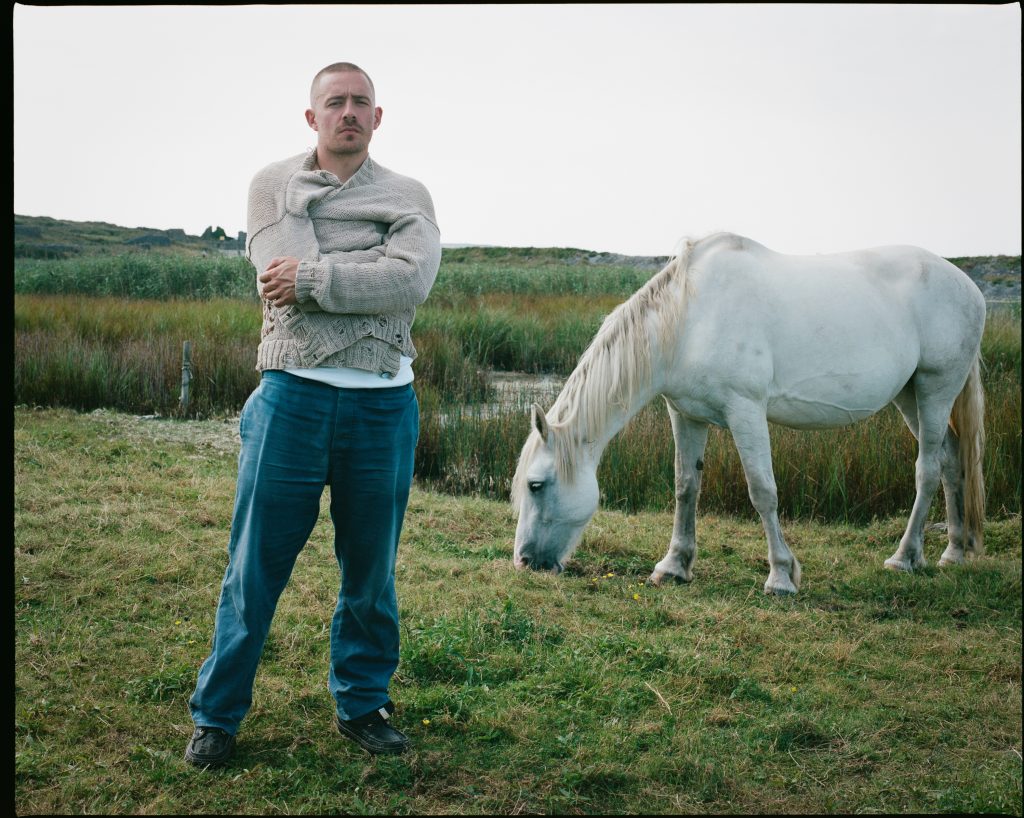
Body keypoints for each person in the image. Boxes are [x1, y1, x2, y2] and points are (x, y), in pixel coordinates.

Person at [184, 62, 441, 767]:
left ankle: (363, 703)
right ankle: (217, 715)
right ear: (312, 117)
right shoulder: (274, 185)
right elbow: (280, 279)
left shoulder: (409, 194)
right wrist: (369, 268)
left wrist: (319, 277)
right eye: (335, 102)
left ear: (377, 117)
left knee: (370, 574)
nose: (348, 112)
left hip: (383, 405)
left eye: (361, 102)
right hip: (291, 400)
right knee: (254, 568)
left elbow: (411, 280)